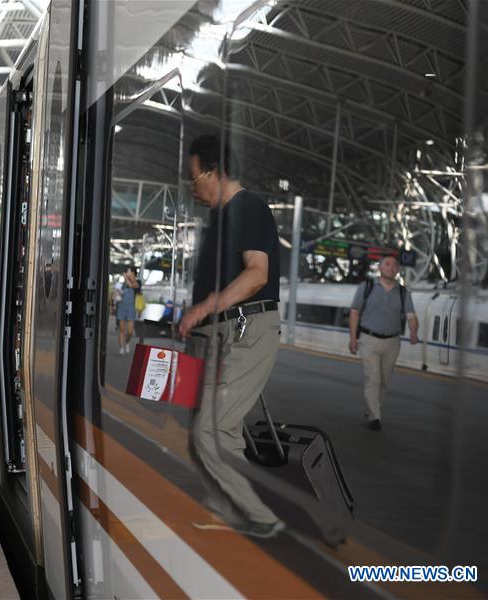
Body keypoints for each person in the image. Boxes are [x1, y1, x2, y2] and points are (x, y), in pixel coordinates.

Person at [178, 134, 283, 538]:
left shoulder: (248, 207)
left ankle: (259, 516)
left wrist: (203, 307)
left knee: (213, 428)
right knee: (213, 430)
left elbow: (257, 275)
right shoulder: (220, 219)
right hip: (220, 334)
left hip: (246, 330)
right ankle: (226, 511)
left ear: (216, 172)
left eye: (194, 177)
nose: (192, 187)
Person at [348, 255, 419, 430]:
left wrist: (414, 332)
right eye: (387, 264)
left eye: (395, 265)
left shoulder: (403, 292)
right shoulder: (367, 287)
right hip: (368, 339)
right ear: (380, 268)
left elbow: (411, 316)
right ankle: (374, 417)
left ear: (398, 270)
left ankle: (373, 408)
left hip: (392, 342)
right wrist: (353, 338)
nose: (391, 267)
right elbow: (355, 312)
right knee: (373, 377)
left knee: (383, 380)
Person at [116, 266, 139, 355]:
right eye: (127, 272)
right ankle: (121, 347)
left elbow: (132, 285)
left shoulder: (137, 283)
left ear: (133, 273)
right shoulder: (121, 284)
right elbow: (116, 294)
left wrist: (126, 278)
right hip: (122, 307)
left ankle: (126, 342)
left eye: (129, 272)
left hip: (131, 309)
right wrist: (117, 294)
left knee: (130, 332)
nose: (127, 273)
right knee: (121, 330)